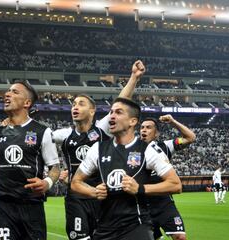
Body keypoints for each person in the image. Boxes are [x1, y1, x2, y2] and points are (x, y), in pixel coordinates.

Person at [55, 61, 146, 240]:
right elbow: (37, 138)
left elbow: (121, 101)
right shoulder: (63, 134)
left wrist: (134, 78)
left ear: (92, 111)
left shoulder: (101, 129)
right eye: (73, 104)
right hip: (77, 196)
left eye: (81, 104)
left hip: (103, 196)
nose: (75, 107)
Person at [71, 98, 182, 240]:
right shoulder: (98, 149)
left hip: (136, 226)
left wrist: (140, 188)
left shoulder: (147, 149)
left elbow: (175, 184)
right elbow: (75, 183)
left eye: (118, 112)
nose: (111, 116)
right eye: (111, 112)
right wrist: (93, 192)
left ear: (133, 121)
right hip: (104, 228)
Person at [0, 80, 60, 240]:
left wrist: (46, 183)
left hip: (32, 207)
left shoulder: (42, 132)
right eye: (8, 91)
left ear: (27, 103)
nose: (7, 94)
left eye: (15, 92)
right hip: (2, 207)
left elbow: (55, 168)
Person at [140, 115, 196, 240]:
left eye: (148, 128)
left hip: (164, 203)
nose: (143, 130)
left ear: (156, 134)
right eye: (142, 127)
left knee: (180, 237)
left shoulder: (165, 146)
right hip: (143, 205)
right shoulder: (133, 150)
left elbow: (191, 137)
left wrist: (173, 121)